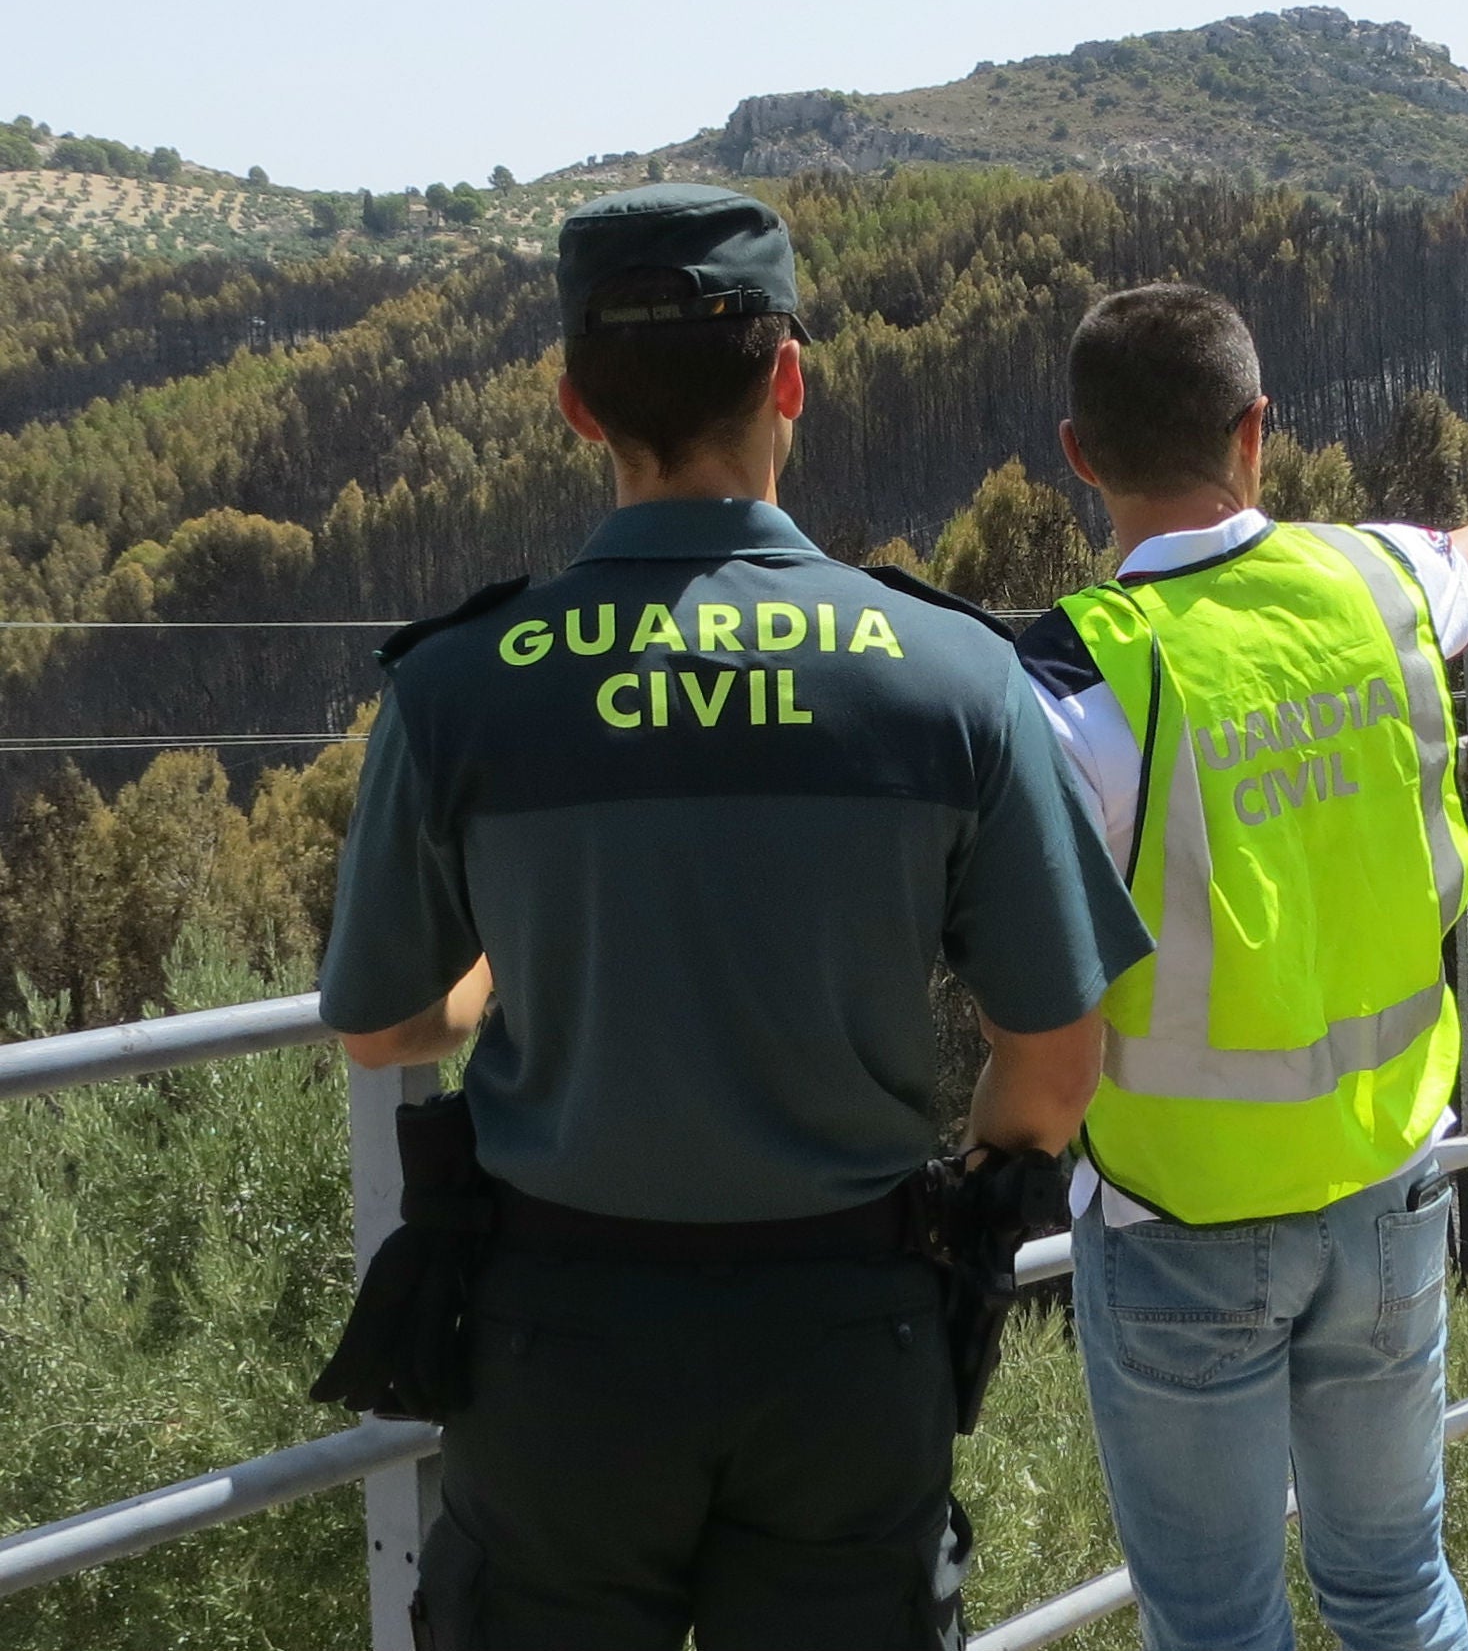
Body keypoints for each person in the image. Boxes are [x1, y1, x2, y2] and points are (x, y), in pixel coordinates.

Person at [314, 183, 1152, 1651]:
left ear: (577, 404)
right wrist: (964, 1197)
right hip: (847, 1334)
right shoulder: (949, 673)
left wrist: (519, 951)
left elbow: (383, 1018)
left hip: (556, 1345)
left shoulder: (457, 687)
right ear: (790, 379)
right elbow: (1058, 1058)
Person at [1017, 282, 1468, 1651]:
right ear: (1258, 429)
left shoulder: (1076, 688)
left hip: (1178, 1236)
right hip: (1386, 1197)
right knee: (1397, 1586)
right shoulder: (1378, 580)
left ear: (1079, 454)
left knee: (1219, 1627)